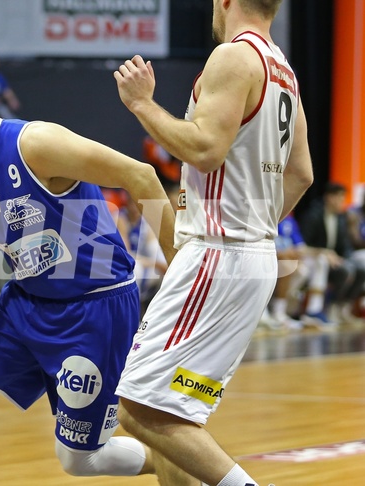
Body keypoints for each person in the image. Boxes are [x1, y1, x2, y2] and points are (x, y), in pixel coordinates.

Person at [0, 50, 180, 486]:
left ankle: (176, 457)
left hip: (96, 307)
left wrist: (183, 277)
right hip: (25, 304)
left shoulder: (35, 145)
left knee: (79, 461)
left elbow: (142, 176)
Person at [112, 0, 314, 485]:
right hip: (252, 256)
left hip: (218, 257)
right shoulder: (283, 69)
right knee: (175, 414)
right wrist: (253, 225)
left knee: (141, 411)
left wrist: (142, 103)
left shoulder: (232, 57)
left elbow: (205, 149)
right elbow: (302, 174)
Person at [299, 182, 365, 325]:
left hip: (335, 260)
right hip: (314, 259)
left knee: (359, 268)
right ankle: (323, 309)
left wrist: (344, 258)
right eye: (339, 198)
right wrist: (325, 253)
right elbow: (303, 244)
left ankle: (341, 308)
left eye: (343, 198)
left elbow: (345, 246)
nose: (342, 202)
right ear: (329, 197)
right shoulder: (313, 215)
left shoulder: (341, 219)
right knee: (339, 268)